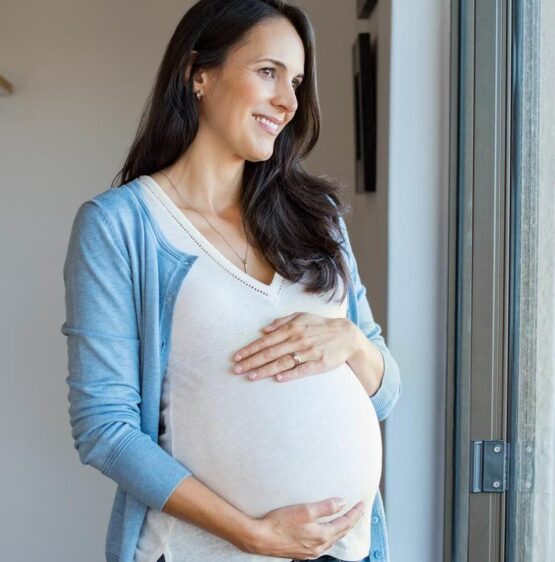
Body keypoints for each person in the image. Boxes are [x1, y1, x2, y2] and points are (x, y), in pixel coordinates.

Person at [60, 1, 402, 561]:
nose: (289, 102)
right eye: (268, 72)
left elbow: (385, 394)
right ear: (199, 73)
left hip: (345, 550)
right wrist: (253, 534)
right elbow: (106, 429)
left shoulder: (318, 218)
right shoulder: (122, 226)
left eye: (295, 81)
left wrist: (353, 344)